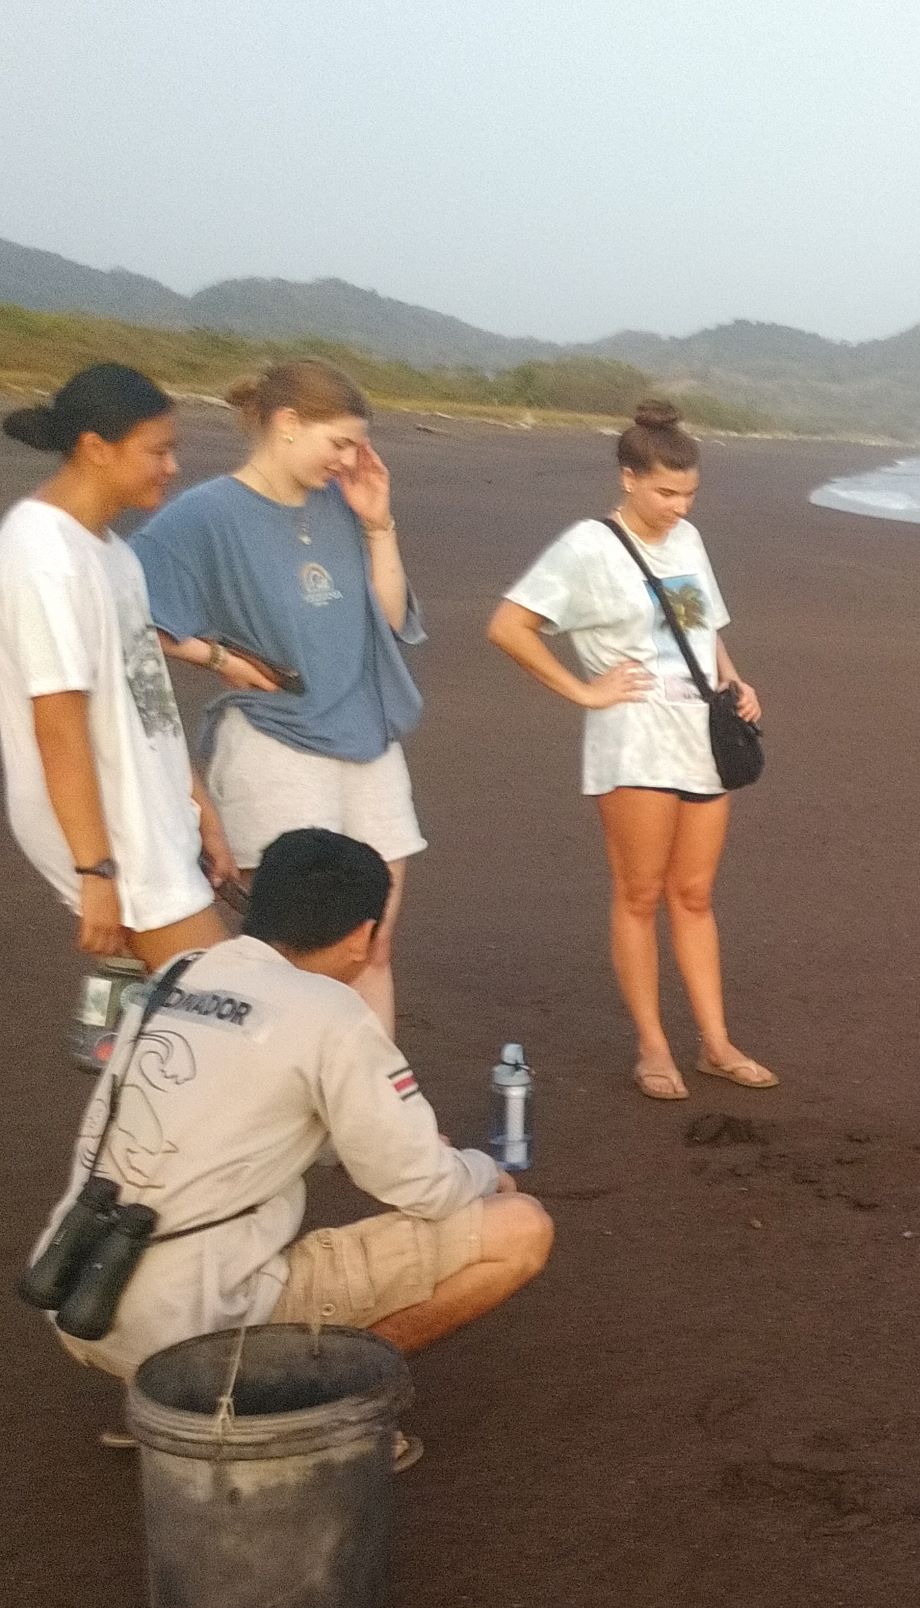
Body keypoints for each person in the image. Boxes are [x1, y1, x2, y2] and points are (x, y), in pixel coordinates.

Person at [36, 827, 551, 1458]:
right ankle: (293, 1413)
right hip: (197, 1319)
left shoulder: (181, 971)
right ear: (363, 935)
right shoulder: (332, 1013)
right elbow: (422, 1186)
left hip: (80, 1286)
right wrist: (481, 1170)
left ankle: (161, 1400)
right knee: (520, 1227)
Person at [485, 400, 774, 1100]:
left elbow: (702, 628)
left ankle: (715, 1043)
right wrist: (583, 692)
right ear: (628, 478)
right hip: (632, 739)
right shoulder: (588, 545)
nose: (678, 507)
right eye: (665, 492)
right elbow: (509, 626)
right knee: (640, 893)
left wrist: (735, 682)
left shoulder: (688, 540)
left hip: (700, 733)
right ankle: (652, 1046)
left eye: (689, 494)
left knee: (695, 894)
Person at [133, 359, 426, 1036]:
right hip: (275, 747)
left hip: (368, 740)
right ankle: (284, 1124)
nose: (351, 459)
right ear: (288, 425)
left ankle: (371, 1120)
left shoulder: (344, 505)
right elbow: (122, 604)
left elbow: (386, 619)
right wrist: (217, 656)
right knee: (292, 962)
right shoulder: (208, 513)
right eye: (341, 443)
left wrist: (378, 524)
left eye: (358, 445)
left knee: (371, 946)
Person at [0, 364, 237, 968]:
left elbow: (149, 702)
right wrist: (95, 871)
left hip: (149, 817)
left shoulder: (114, 554)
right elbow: (57, 730)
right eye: (158, 451)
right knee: (223, 1004)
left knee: (184, 1025)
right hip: (112, 832)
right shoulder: (45, 556)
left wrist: (200, 812)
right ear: (94, 450)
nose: (172, 467)